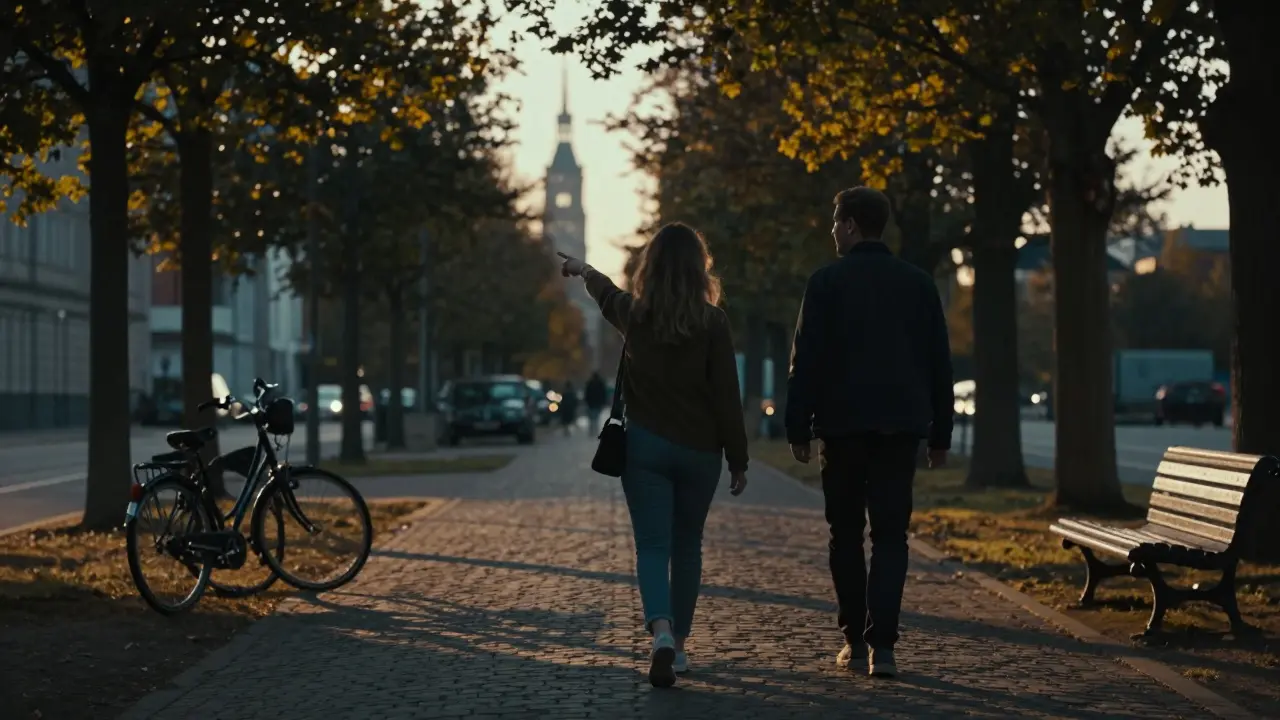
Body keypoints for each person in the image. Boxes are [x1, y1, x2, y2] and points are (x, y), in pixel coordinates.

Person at [558, 224, 749, 689]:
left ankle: (659, 632)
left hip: (644, 448)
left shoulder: (635, 315)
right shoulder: (713, 322)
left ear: (652, 267)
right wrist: (738, 458)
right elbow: (727, 394)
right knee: (687, 546)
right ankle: (680, 647)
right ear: (698, 269)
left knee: (652, 546)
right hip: (701, 450)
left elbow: (606, 295)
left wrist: (584, 269)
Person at [785, 187, 954, 680]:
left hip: (841, 428)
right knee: (891, 536)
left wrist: (798, 427)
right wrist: (939, 434)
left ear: (853, 225)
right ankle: (885, 647)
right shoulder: (918, 284)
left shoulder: (825, 283)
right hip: (900, 428)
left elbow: (805, 362)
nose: (833, 229)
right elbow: (938, 363)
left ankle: (854, 641)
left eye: (837, 221)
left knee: (845, 535)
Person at [584, 371, 609, 435]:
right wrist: (604, 402)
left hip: (591, 403)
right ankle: (595, 430)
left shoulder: (589, 384)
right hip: (598, 403)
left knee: (591, 418)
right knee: (596, 417)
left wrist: (586, 401)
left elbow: (587, 394)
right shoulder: (600, 384)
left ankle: (592, 430)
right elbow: (603, 394)